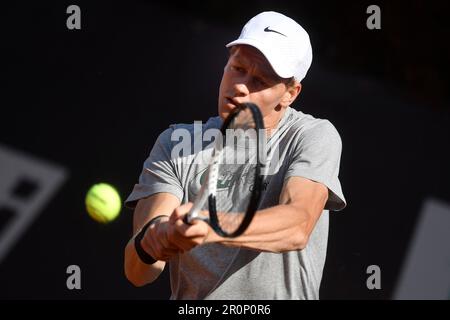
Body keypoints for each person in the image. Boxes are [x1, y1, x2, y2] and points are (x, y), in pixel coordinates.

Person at [124, 11, 346, 300]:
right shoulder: (175, 144)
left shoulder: (312, 135)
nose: (241, 86)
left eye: (260, 81)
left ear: (290, 93)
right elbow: (138, 271)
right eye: (238, 68)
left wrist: (211, 226)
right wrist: (155, 240)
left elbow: (297, 225)